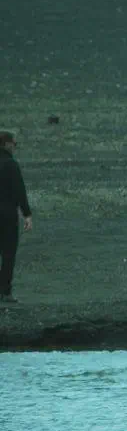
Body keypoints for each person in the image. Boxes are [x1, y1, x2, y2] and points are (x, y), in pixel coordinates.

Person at [0, 130, 34, 303]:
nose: (15, 146)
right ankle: (5, 292)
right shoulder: (11, 164)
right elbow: (19, 191)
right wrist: (27, 214)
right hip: (7, 215)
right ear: (6, 144)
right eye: (14, 143)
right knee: (8, 254)